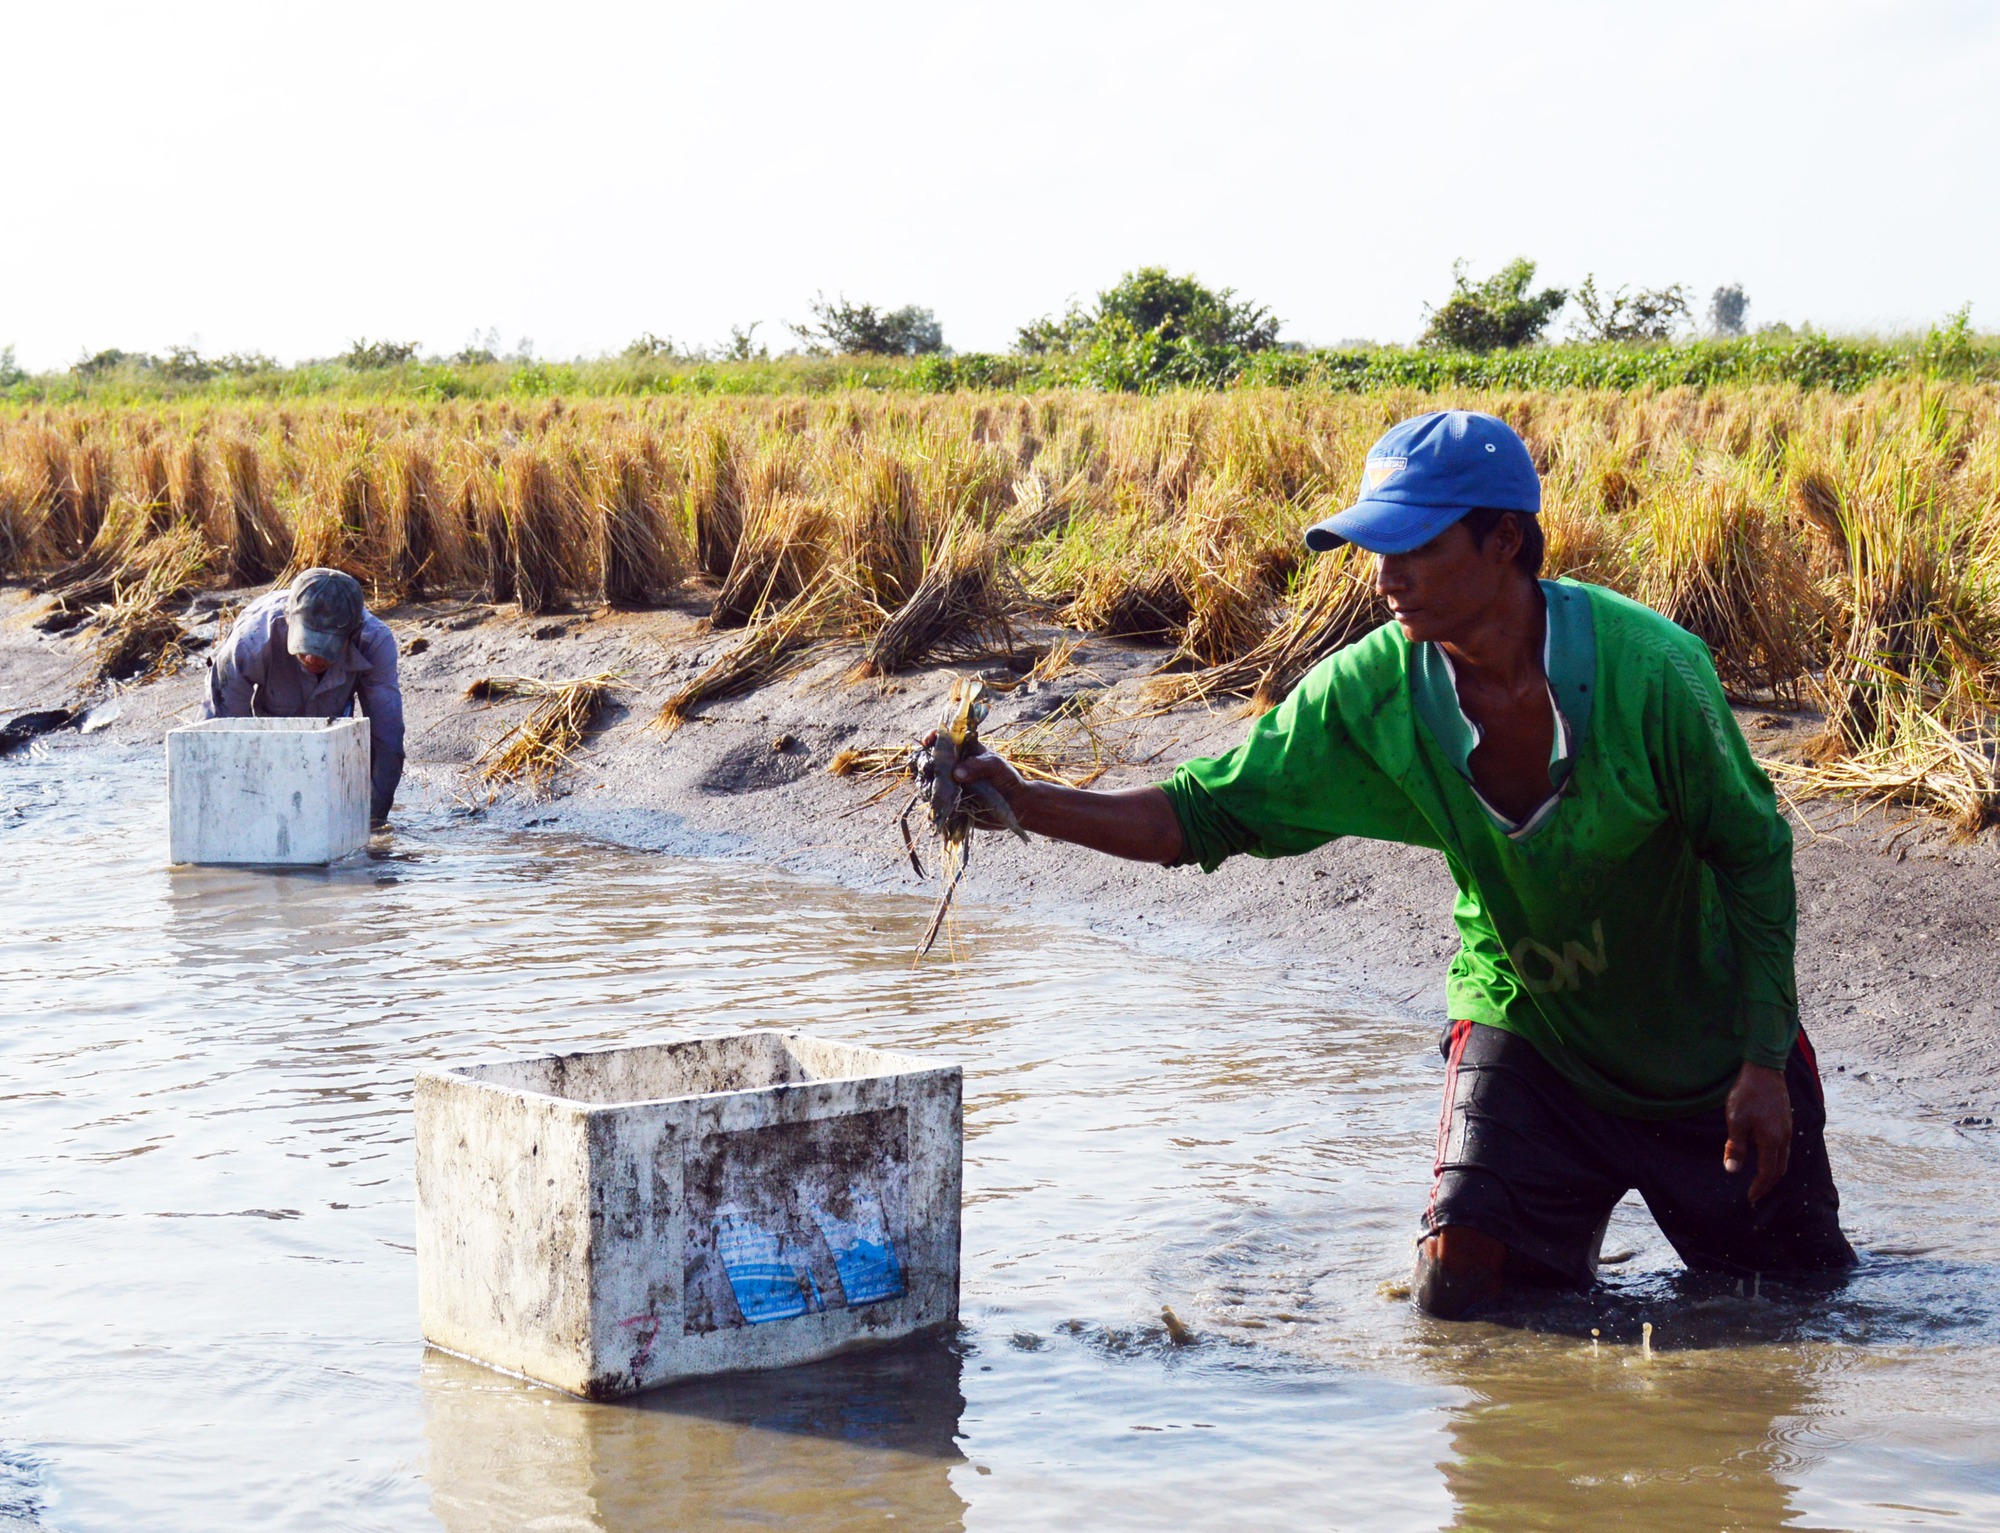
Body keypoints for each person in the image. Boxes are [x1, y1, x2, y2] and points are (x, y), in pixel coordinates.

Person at [952, 410, 1855, 1318]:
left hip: (1707, 1049)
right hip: (1530, 1025)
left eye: (1414, 544)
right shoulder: (1370, 692)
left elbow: (1755, 853)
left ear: (1505, 539)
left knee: (1794, 1306)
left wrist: (1764, 1061)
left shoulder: (1653, 671)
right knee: (1462, 1299)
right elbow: (1198, 814)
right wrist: (1023, 800)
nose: (1385, 576)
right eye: (1374, 547)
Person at [203, 567, 405, 825]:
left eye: (325, 646)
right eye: (306, 642)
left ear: (354, 633)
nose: (312, 657)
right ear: (288, 620)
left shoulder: (375, 642)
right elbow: (218, 734)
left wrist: (373, 821)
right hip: (268, 731)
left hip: (330, 730)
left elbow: (387, 738)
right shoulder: (251, 640)